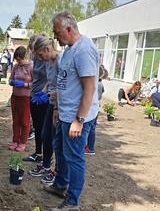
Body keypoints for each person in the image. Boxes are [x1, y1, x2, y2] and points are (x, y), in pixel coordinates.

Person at [44, 11, 99, 211]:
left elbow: (90, 88)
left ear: (68, 29)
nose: (55, 36)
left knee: (74, 158)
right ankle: (60, 185)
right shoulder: (68, 49)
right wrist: (58, 108)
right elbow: (65, 81)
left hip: (77, 117)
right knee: (59, 149)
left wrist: (79, 120)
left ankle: (72, 201)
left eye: (57, 32)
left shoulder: (84, 50)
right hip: (65, 113)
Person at [28, 35, 59, 187]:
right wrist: (43, 91)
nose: (39, 58)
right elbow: (50, 82)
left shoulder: (60, 61)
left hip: (59, 106)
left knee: (57, 140)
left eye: (40, 54)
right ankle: (45, 166)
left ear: (46, 49)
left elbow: (64, 84)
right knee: (45, 135)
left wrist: (51, 96)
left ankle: (56, 172)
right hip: (51, 102)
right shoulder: (48, 62)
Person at [23, 35, 49, 163]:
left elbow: (52, 79)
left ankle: (46, 157)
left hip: (44, 98)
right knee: (37, 127)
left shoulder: (47, 59)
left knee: (45, 129)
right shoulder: (36, 58)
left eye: (33, 49)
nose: (32, 52)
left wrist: (44, 93)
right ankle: (38, 154)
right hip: (34, 96)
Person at [8, 46, 33, 152]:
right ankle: (15, 140)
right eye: (17, 60)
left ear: (24, 57)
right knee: (16, 120)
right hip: (15, 97)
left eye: (19, 59)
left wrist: (24, 84)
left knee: (24, 121)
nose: (18, 61)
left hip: (26, 98)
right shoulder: (16, 67)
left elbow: (36, 84)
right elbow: (10, 79)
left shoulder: (31, 67)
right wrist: (12, 82)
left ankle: (23, 142)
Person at [84, 65, 106, 156]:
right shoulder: (100, 84)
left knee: (90, 129)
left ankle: (90, 148)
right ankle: (89, 147)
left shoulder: (96, 84)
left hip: (92, 108)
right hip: (96, 107)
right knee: (92, 128)